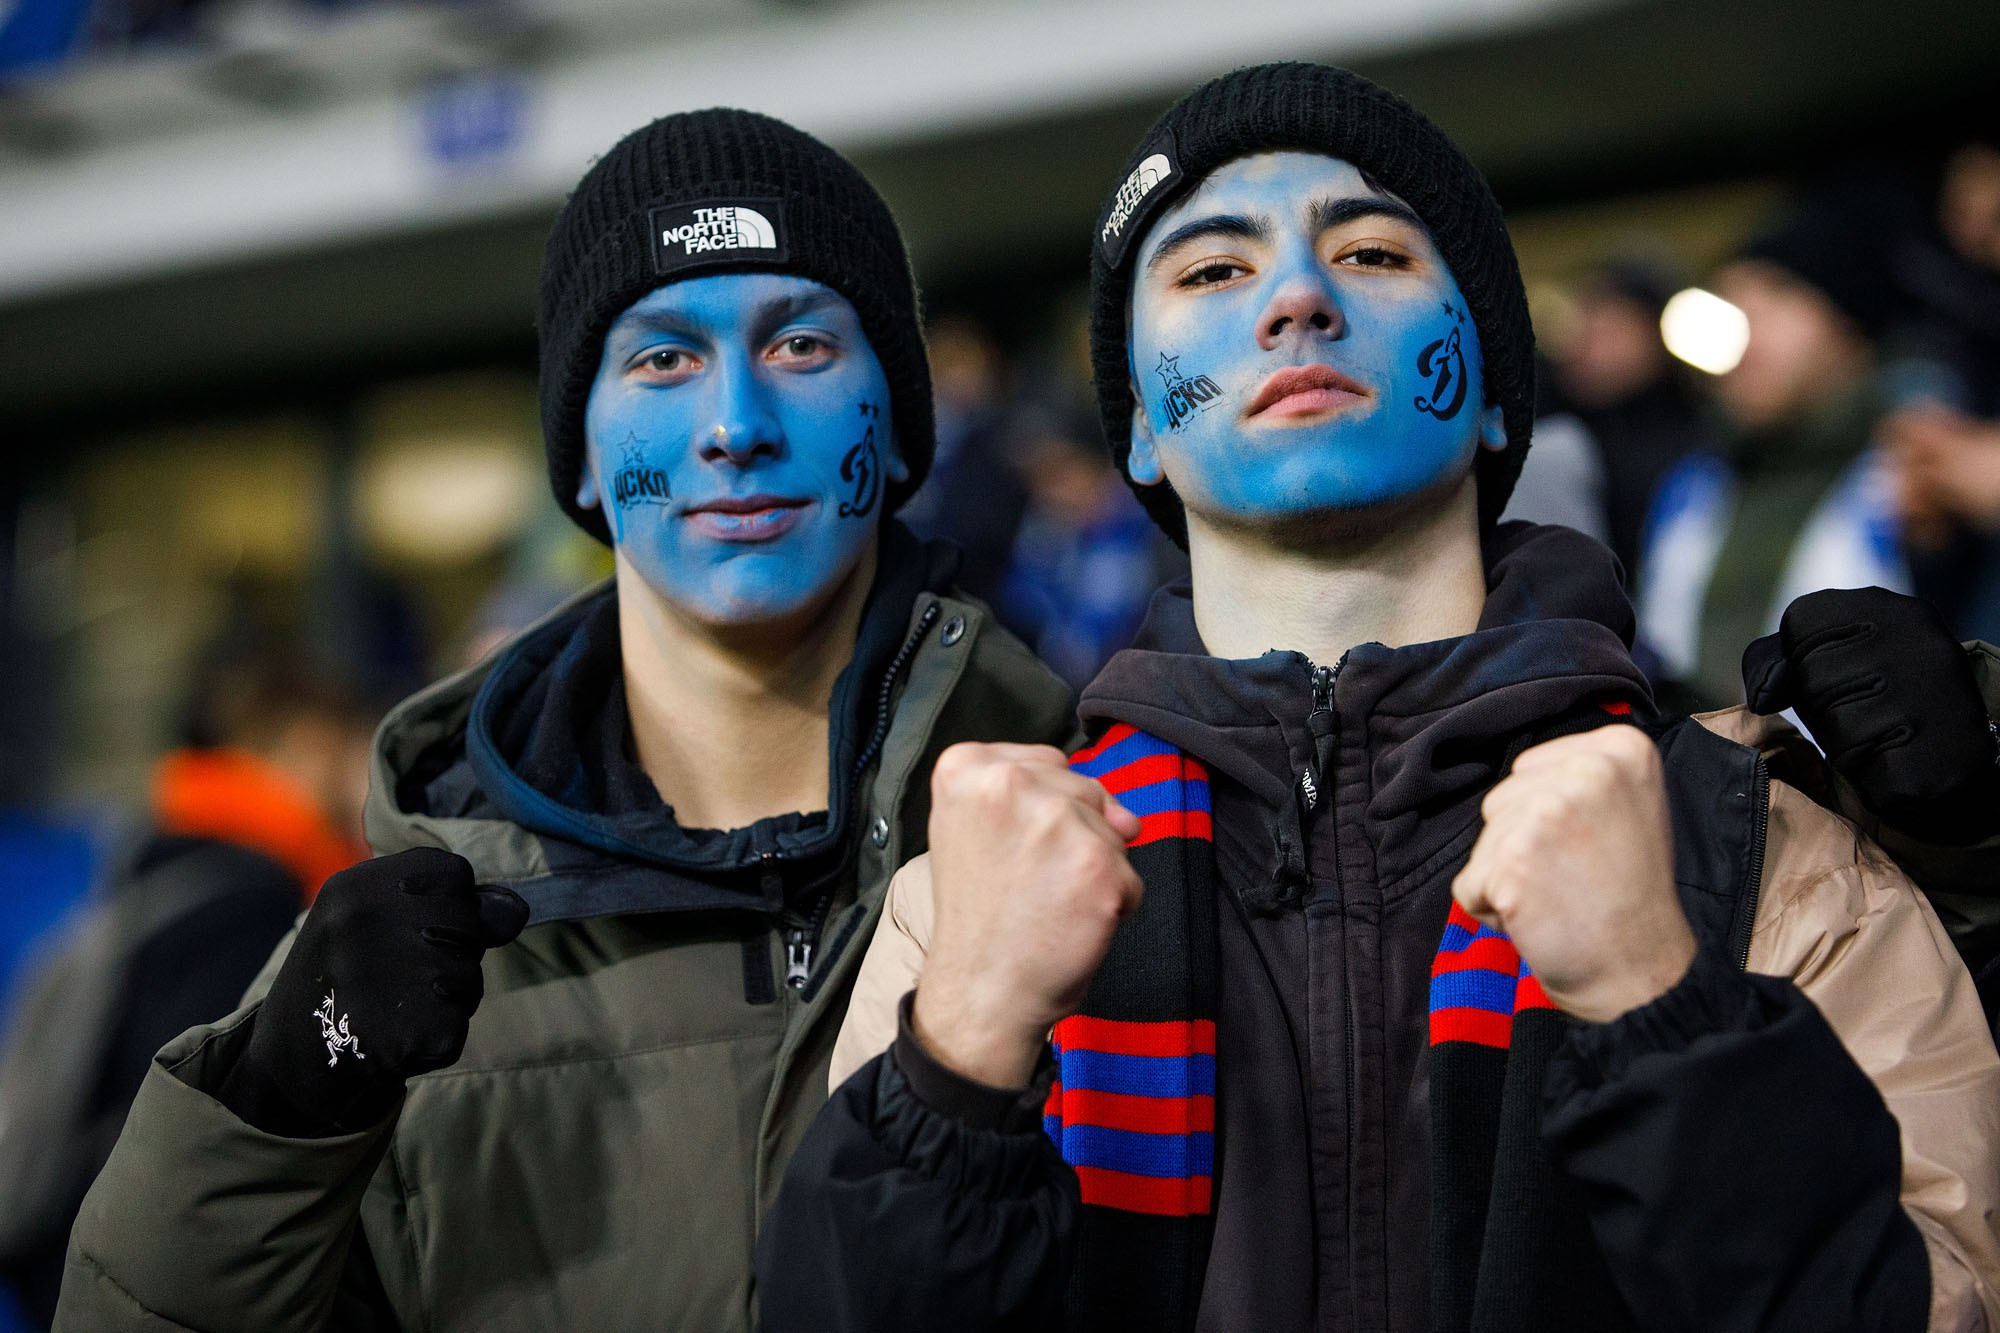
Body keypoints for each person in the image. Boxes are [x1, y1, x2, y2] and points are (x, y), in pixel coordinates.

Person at [756, 63, 2000, 1331]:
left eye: (1370, 254)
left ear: (1491, 390)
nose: (1297, 298)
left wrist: (1661, 1013)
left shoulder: (1756, 848)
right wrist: (958, 1060)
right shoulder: (972, 897)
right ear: (1138, 429)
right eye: (1208, 274)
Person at [57, 109, 1075, 1331]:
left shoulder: (1089, 832)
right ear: (581, 457)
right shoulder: (415, 945)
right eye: (660, 360)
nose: (735, 425)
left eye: (800, 345)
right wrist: (274, 1113)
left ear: (899, 422)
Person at [0, 628, 371, 1326]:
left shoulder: (160, 853)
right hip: (154, 1276)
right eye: (342, 742)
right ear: (299, 741)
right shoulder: (256, 895)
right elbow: (224, 1125)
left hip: (88, 1253)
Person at [1635, 185, 1911, 709]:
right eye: (1731, 300)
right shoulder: (1686, 488)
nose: (1745, 324)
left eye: (1778, 293)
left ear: (1849, 324)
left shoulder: (1923, 476)